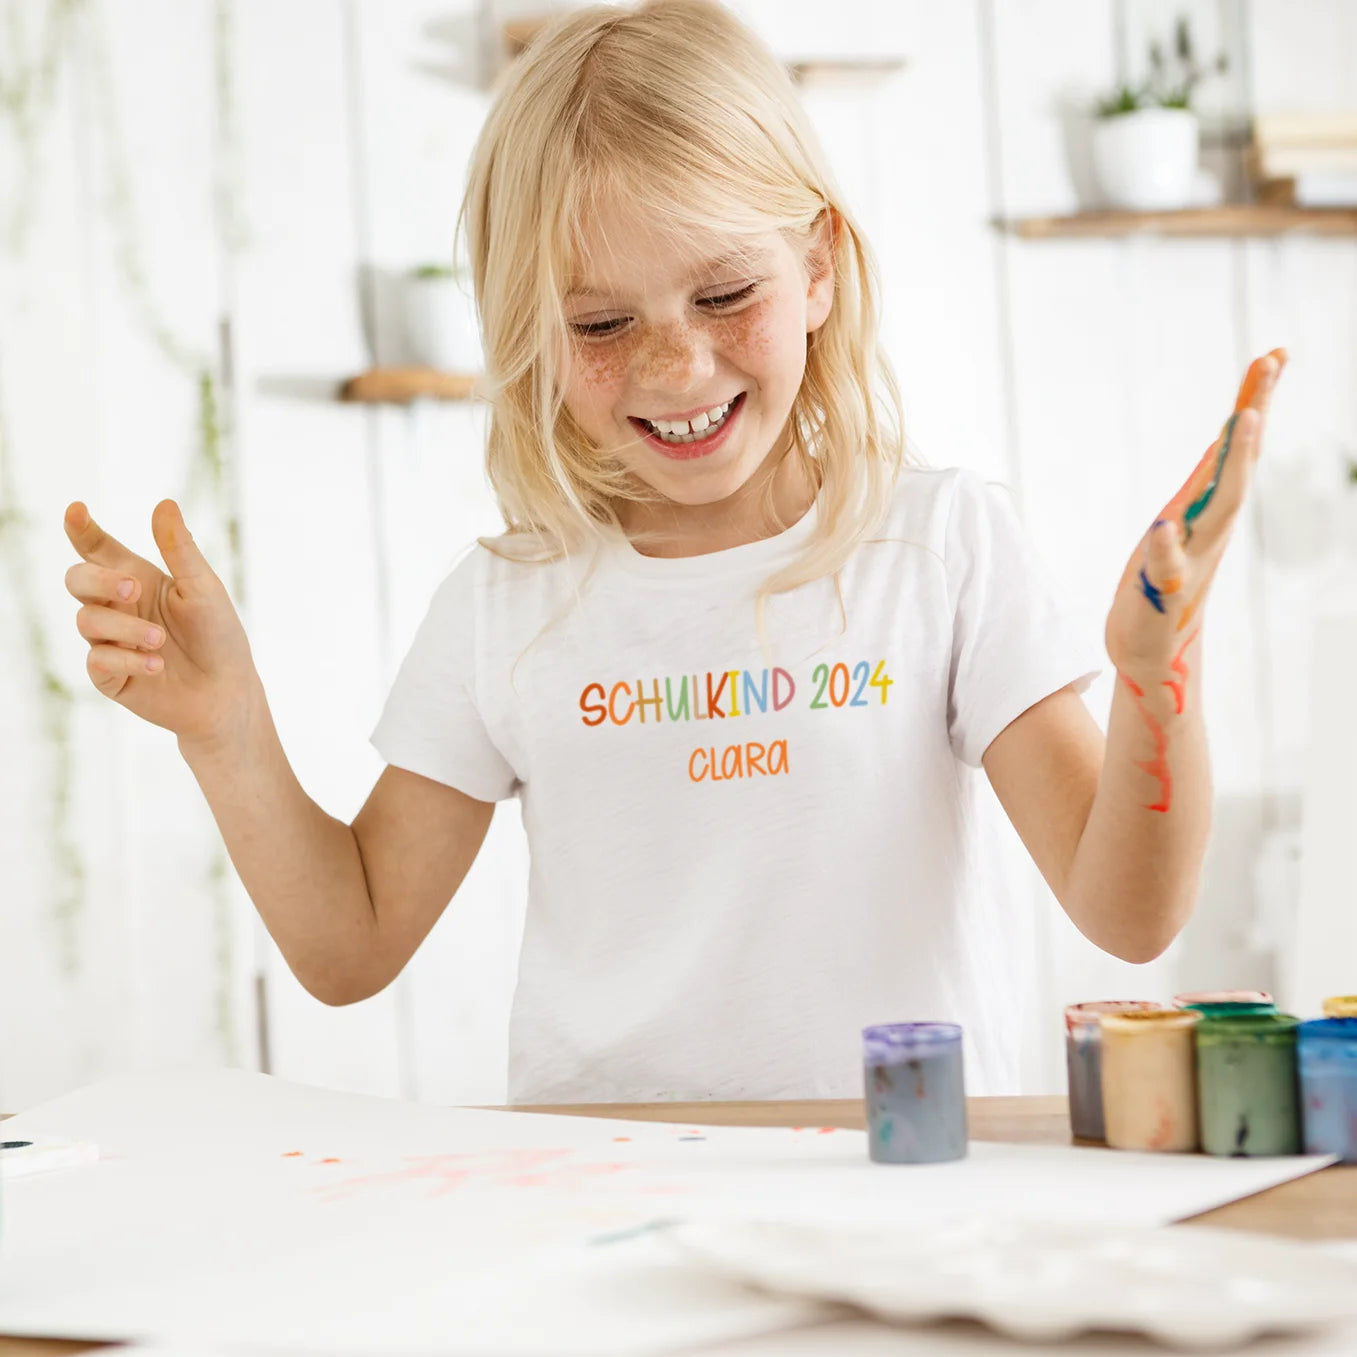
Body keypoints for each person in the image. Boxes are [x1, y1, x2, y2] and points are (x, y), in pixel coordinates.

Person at [61, 0, 1284, 1103]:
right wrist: (225, 728)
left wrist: (1152, 672)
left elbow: (1128, 913)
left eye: (722, 295)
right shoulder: (506, 604)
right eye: (601, 322)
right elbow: (348, 944)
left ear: (815, 269)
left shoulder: (942, 548)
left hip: (902, 1204)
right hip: (599, 1219)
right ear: (529, 335)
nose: (675, 366)